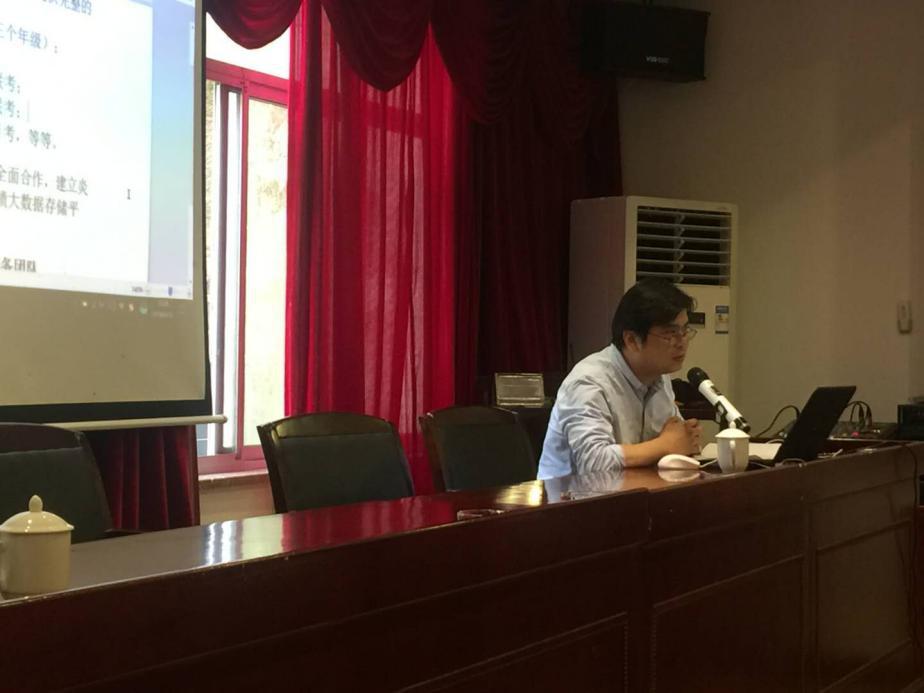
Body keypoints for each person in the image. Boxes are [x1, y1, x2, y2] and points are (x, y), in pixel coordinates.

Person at [537, 278, 702, 479]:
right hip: (570, 496)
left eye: (685, 331)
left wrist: (685, 438)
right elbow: (593, 462)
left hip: (633, 490)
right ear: (632, 340)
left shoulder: (659, 377)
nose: (681, 342)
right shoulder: (588, 381)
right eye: (670, 333)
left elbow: (676, 439)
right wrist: (665, 445)